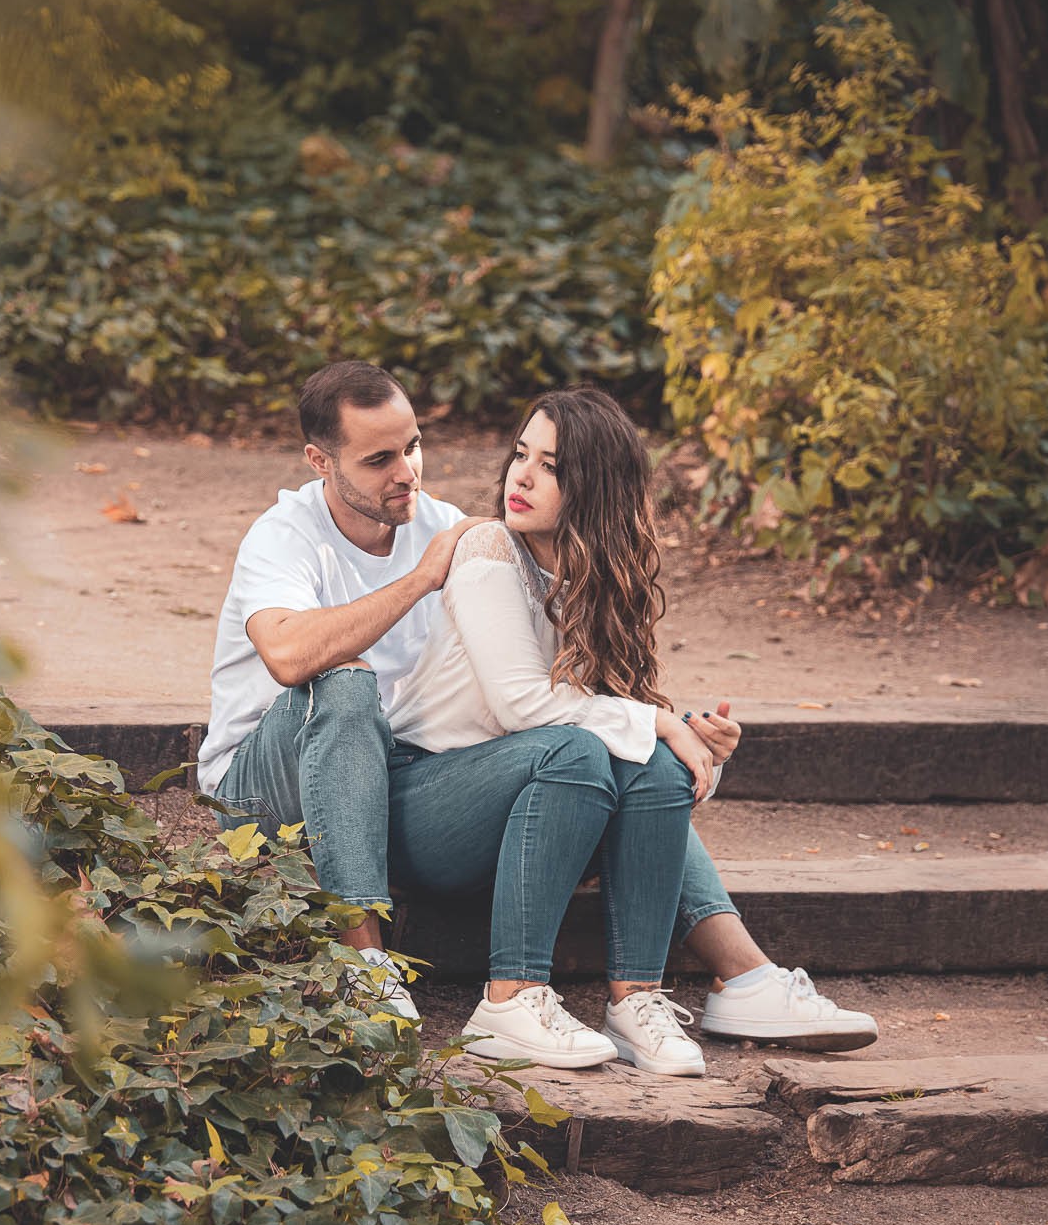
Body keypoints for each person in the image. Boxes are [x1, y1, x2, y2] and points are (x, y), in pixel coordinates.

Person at [198, 362, 876, 1074]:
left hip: (399, 771)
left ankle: (735, 976)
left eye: (414, 445)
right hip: (265, 782)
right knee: (348, 682)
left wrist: (670, 728)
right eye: (379, 459)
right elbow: (286, 654)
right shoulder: (290, 534)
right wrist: (424, 576)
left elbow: (554, 688)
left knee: (618, 747)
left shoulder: (446, 524)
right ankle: (365, 960)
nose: (408, 471)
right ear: (321, 461)